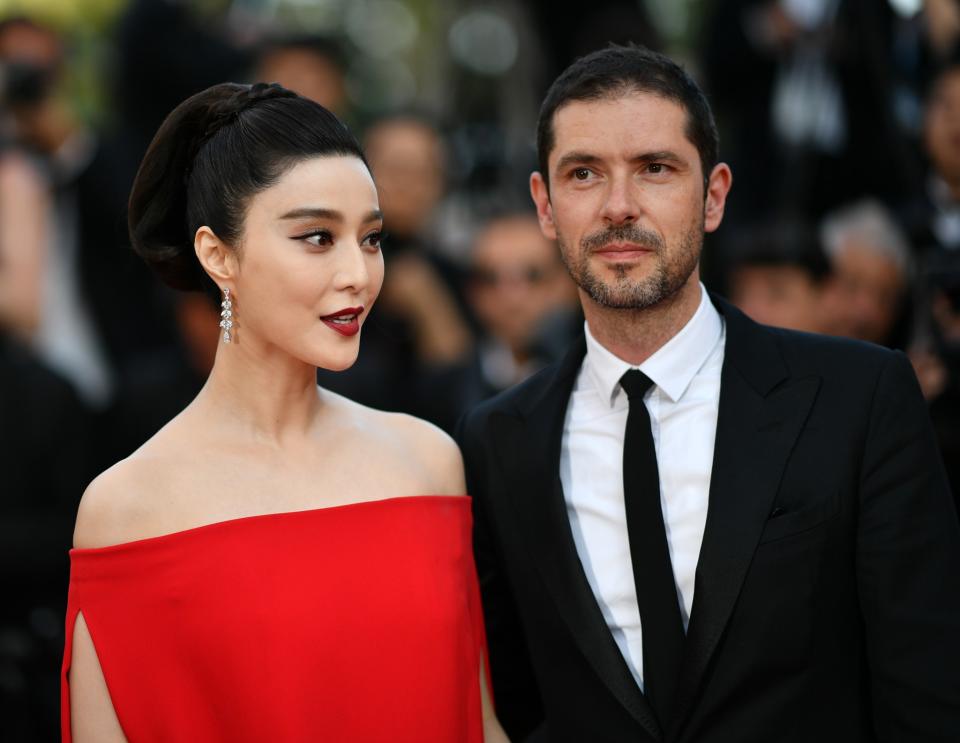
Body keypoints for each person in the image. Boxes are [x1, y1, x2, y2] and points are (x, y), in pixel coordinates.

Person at [457, 45, 960, 742]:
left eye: (655, 169)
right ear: (545, 205)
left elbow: (929, 693)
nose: (619, 207)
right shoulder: (496, 439)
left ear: (714, 194)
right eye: (583, 174)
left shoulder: (860, 398)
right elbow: (520, 700)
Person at [61, 82, 506, 743]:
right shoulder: (127, 506)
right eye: (318, 237)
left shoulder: (428, 461)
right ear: (219, 255)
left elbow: (480, 722)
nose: (358, 272)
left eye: (372, 237)